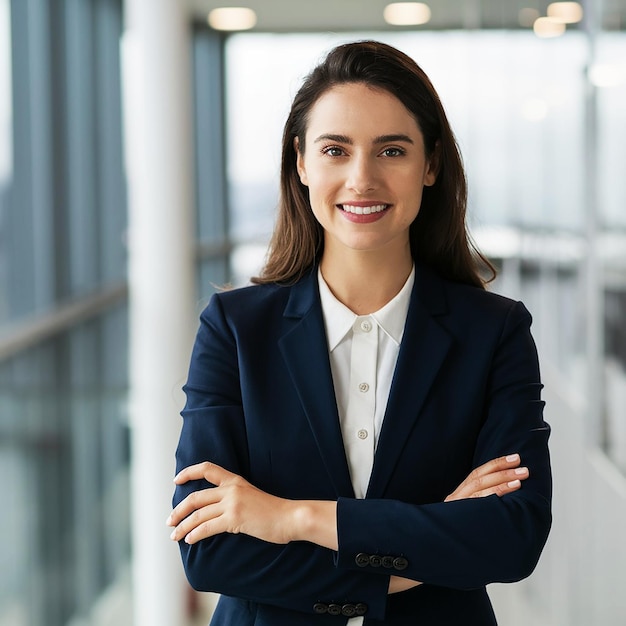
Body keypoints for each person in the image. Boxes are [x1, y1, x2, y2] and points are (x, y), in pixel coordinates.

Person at [167, 40, 552, 625]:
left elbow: (511, 536)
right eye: (335, 150)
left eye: (391, 150)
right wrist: (427, 543)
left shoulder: (495, 333)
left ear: (430, 165)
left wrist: (292, 519)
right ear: (301, 163)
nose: (361, 178)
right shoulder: (235, 330)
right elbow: (209, 549)